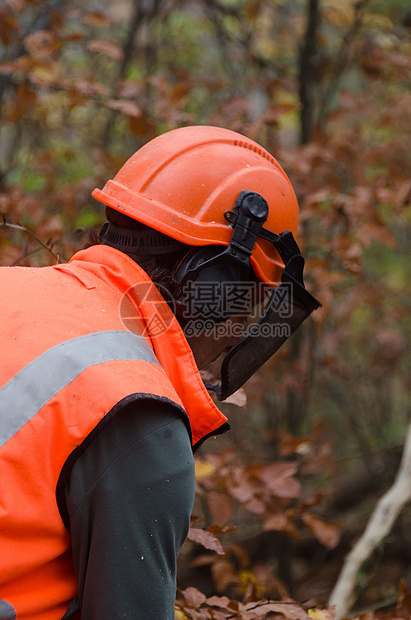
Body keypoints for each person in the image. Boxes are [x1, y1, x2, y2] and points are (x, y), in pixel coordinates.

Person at [0, 125, 320, 620]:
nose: (240, 330)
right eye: (250, 302)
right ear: (212, 284)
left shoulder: (12, 288)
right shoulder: (136, 409)